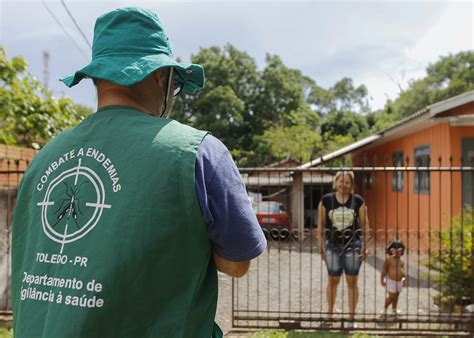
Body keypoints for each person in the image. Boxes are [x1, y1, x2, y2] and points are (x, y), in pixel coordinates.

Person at [11, 7, 266, 338]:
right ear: (161, 76)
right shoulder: (197, 152)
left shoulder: (43, 158)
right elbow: (237, 263)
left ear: (98, 78)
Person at [317, 171, 366, 329]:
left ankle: (351, 318)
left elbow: (365, 225)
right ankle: (330, 315)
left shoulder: (358, 201)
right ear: (335, 182)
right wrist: (321, 245)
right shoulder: (326, 200)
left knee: (352, 281)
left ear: (351, 185)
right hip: (332, 245)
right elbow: (321, 225)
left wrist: (365, 246)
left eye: (347, 182)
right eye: (341, 181)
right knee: (333, 280)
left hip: (353, 246)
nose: (343, 185)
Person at [381, 238, 406, 317]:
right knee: (392, 296)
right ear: (391, 250)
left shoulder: (401, 260)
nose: (399, 252)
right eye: (397, 250)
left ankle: (394, 310)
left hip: (399, 282)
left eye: (400, 250)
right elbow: (384, 270)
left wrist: (404, 279)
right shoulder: (389, 260)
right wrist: (382, 279)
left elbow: (402, 269)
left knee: (396, 296)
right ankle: (384, 309)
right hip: (391, 281)